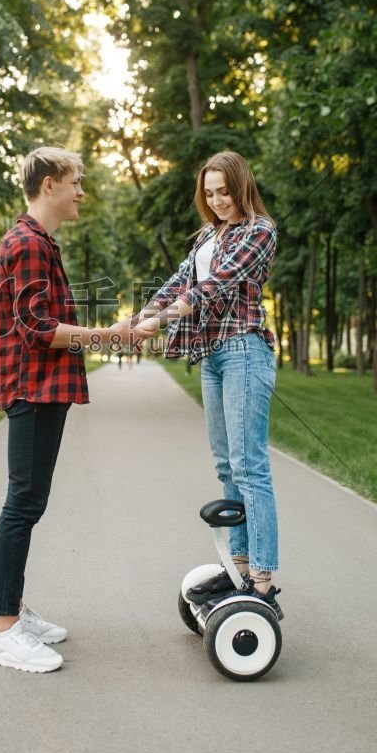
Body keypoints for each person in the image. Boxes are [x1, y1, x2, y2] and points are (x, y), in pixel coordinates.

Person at [0, 146, 130, 673]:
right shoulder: (27, 244)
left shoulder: (38, 242)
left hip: (43, 387)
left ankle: (13, 611)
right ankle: (1, 629)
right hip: (31, 387)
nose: (81, 192)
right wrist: (106, 335)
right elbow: (37, 328)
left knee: (30, 502)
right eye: (75, 182)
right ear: (49, 184)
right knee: (21, 504)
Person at [134, 151, 282, 616]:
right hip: (211, 356)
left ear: (241, 188)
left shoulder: (259, 230)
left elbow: (214, 287)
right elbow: (180, 281)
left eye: (224, 191)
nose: (217, 200)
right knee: (225, 464)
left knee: (249, 465)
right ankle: (236, 564)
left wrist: (162, 317)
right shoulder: (207, 235)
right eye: (210, 193)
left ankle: (261, 579)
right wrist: (142, 314)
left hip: (243, 349)